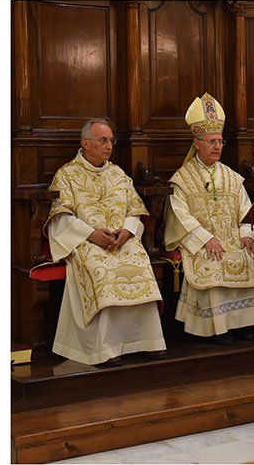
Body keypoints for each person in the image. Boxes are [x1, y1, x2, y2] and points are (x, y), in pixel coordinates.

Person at [46, 119, 166, 366]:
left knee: (139, 262)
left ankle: (147, 341)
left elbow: (135, 210)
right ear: (85, 143)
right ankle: (105, 347)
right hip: (87, 241)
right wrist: (90, 235)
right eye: (103, 140)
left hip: (120, 240)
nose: (109, 145)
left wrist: (128, 231)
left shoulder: (118, 174)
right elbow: (60, 217)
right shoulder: (66, 175)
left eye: (111, 140)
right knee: (103, 271)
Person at [163, 93, 254, 345]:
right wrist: (206, 239)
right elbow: (179, 215)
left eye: (220, 141)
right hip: (203, 240)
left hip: (233, 237)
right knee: (213, 260)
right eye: (211, 141)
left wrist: (246, 235)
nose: (217, 147)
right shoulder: (182, 178)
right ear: (197, 143)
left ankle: (244, 324)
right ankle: (217, 327)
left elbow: (246, 210)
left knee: (252, 254)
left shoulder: (232, 177)